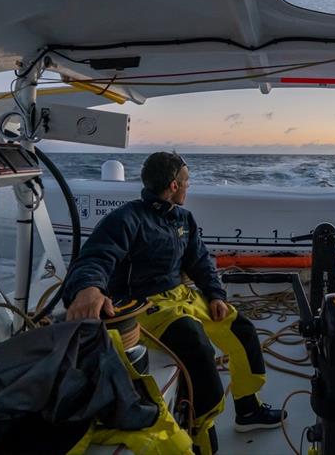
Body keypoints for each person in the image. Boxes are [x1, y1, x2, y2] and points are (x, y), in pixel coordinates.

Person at [63, 151, 285, 455]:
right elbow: (95, 257)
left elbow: (200, 260)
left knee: (241, 328)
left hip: (184, 297)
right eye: (186, 181)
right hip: (148, 306)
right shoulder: (127, 218)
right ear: (172, 186)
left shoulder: (184, 219)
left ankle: (248, 409)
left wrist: (216, 294)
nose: (188, 186)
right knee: (196, 346)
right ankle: (200, 430)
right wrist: (88, 287)